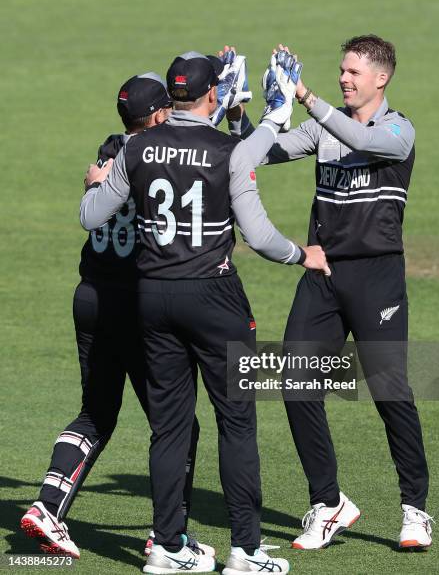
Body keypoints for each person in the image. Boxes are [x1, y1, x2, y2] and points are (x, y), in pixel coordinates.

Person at [80, 50, 330, 575]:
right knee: (237, 423)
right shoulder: (228, 151)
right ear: (214, 96)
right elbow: (259, 237)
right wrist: (300, 255)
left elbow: (91, 215)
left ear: (173, 98)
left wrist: (97, 181)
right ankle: (246, 551)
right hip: (214, 299)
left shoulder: (138, 146)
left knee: (168, 428)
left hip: (152, 298)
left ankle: (167, 548)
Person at [229, 36, 432, 550]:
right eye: (341, 70)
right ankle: (328, 503)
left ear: (381, 78)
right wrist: (238, 116)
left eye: (354, 72)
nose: (345, 78)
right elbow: (264, 152)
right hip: (322, 276)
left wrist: (307, 98)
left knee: (389, 391)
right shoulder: (325, 127)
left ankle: (415, 510)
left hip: (377, 278)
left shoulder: (397, 129)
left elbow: (365, 143)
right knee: (296, 384)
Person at [20, 73, 206, 559]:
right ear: (161, 113)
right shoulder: (156, 156)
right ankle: (169, 536)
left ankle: (46, 508)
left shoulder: (109, 149)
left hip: (90, 298)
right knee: (177, 424)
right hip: (136, 305)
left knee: (96, 413)